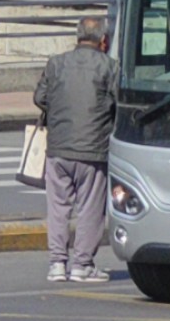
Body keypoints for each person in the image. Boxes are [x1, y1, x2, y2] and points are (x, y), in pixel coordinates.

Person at [33, 15, 120, 283]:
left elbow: (40, 97)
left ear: (77, 37)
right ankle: (83, 264)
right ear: (104, 40)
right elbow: (118, 103)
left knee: (58, 207)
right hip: (93, 150)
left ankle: (57, 263)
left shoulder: (56, 64)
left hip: (58, 148)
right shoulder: (111, 67)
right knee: (90, 209)